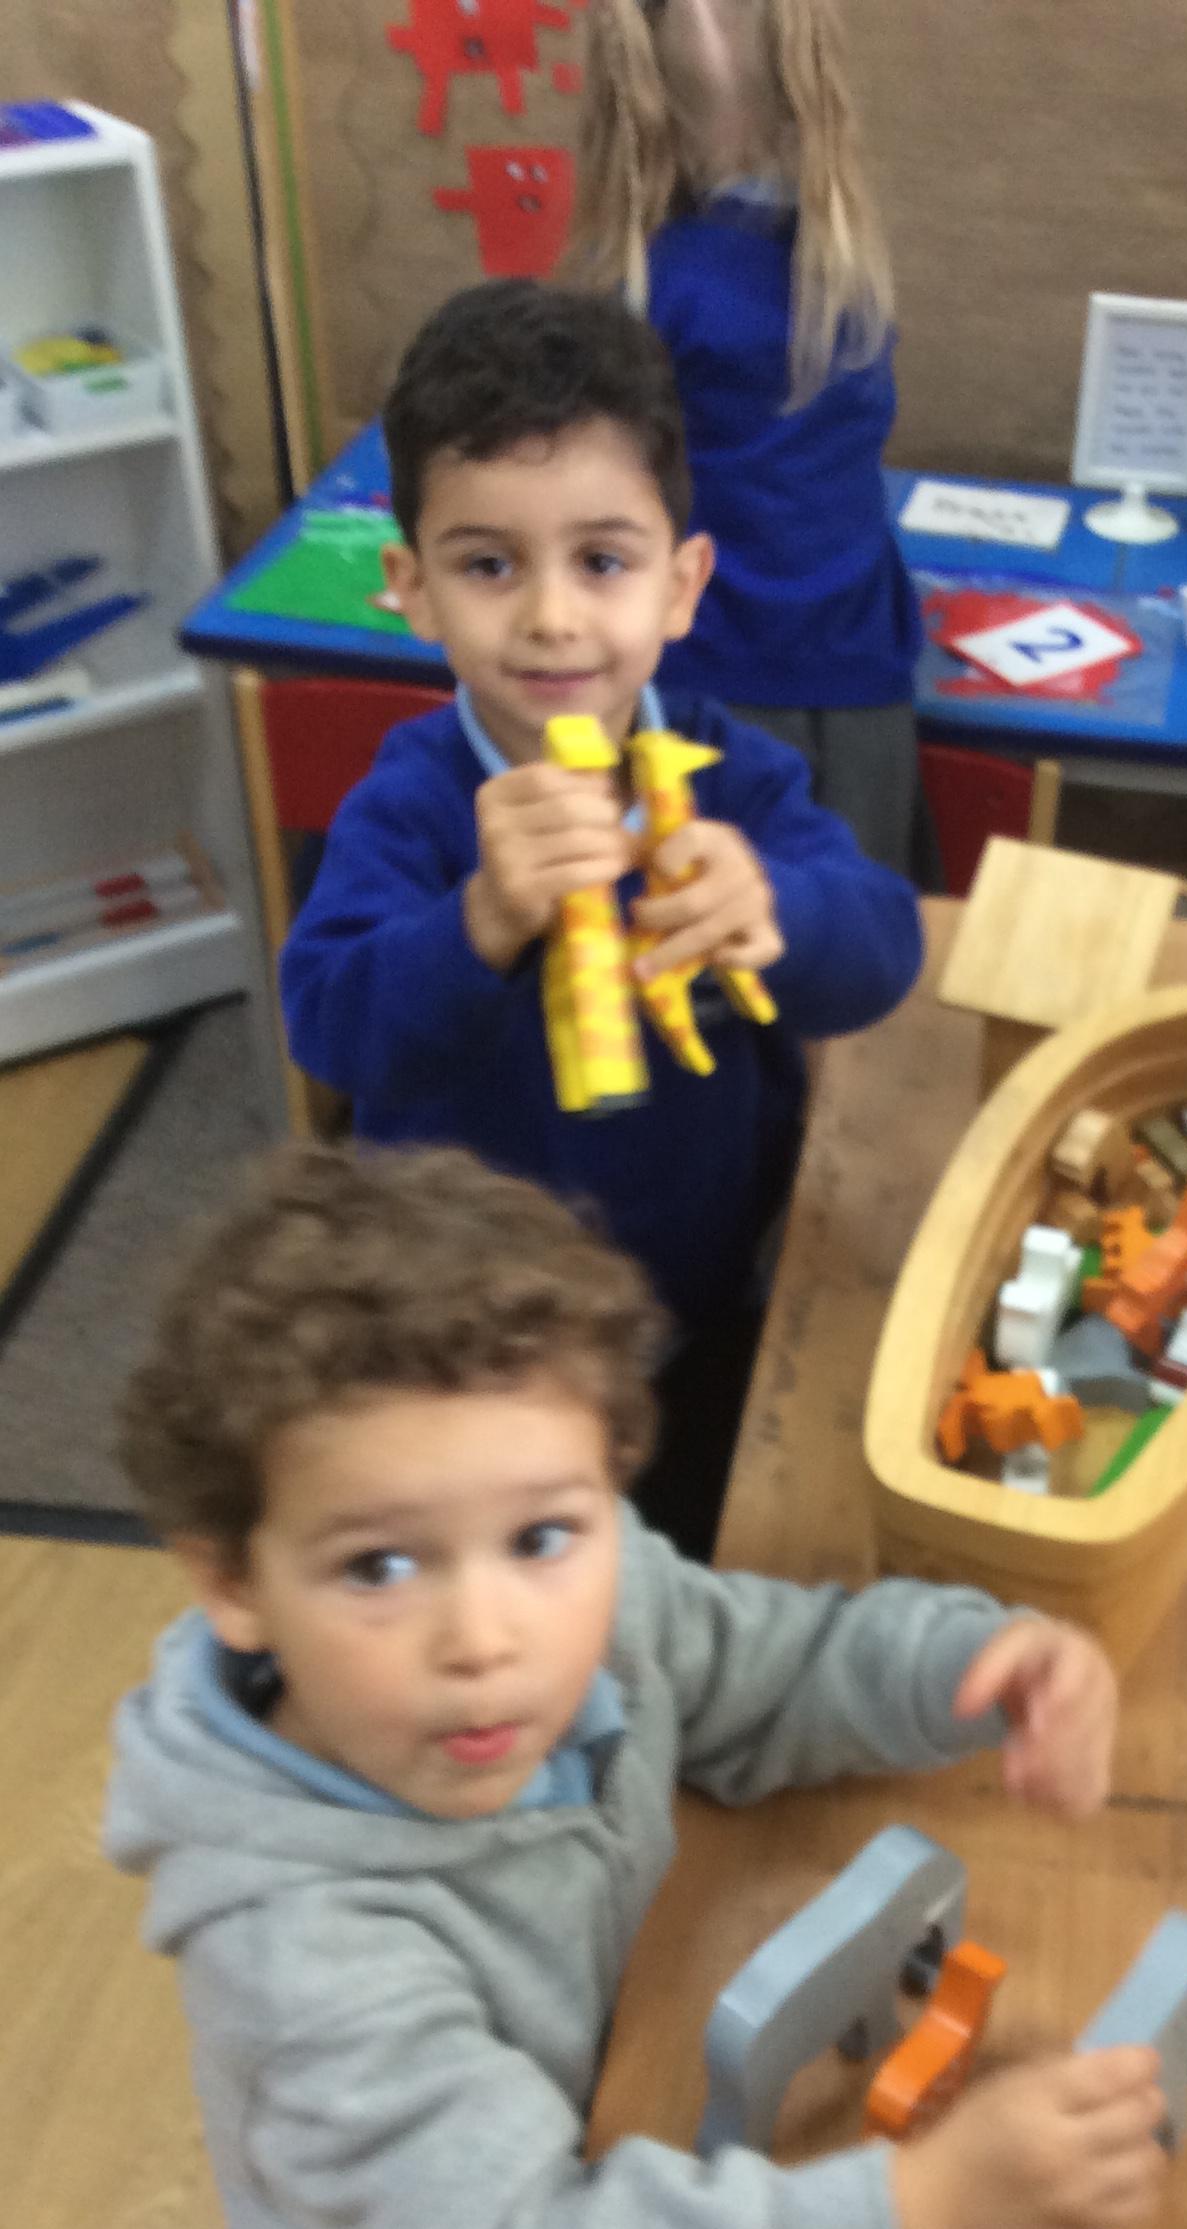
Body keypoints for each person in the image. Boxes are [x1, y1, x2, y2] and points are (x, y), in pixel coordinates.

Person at [103, 1140, 1169, 2229]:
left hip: (609, 2122)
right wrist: (924, 2212)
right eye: (378, 1568)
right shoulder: (305, 1958)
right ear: (234, 1582)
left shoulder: (591, 1608)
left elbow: (770, 1668)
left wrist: (976, 1665)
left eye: (544, 1535)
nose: (487, 1638)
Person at [281, 277, 923, 1560]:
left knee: (691, 1579)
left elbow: (883, 947)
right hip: (468, 1348)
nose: (552, 617)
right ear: (411, 588)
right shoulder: (413, 804)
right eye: (488, 565)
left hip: (699, 1305)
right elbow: (330, 1023)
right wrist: (474, 922)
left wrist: (775, 907)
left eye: (603, 562)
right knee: (516, 1605)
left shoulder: (732, 779)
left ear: (680, 586)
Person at [570, 0, 936, 884]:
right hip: (861, 687)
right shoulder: (847, 279)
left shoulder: (650, 293)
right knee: (844, 934)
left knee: (696, 939)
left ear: (630, 111)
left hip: (703, 699)